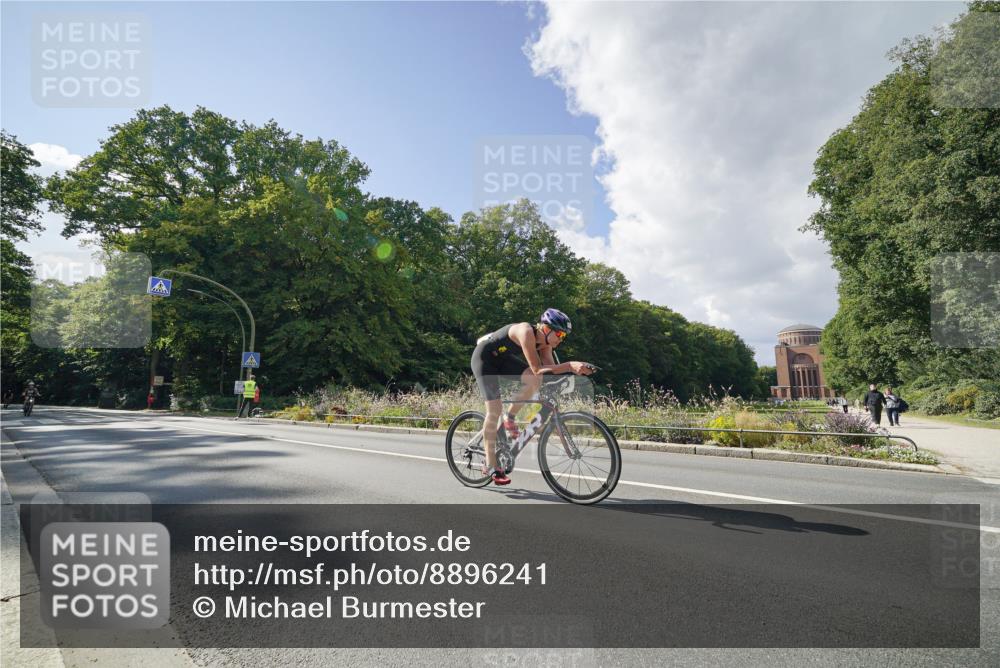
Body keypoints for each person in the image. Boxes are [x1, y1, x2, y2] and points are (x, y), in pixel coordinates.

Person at [471, 309, 594, 486]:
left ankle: (510, 416)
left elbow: (550, 371)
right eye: (559, 333)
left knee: (534, 380)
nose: (560, 338)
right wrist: (569, 365)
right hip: (484, 359)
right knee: (494, 410)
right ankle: (490, 465)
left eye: (563, 336)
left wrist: (570, 377)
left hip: (503, 360)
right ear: (545, 328)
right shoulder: (526, 332)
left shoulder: (545, 344)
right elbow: (537, 368)